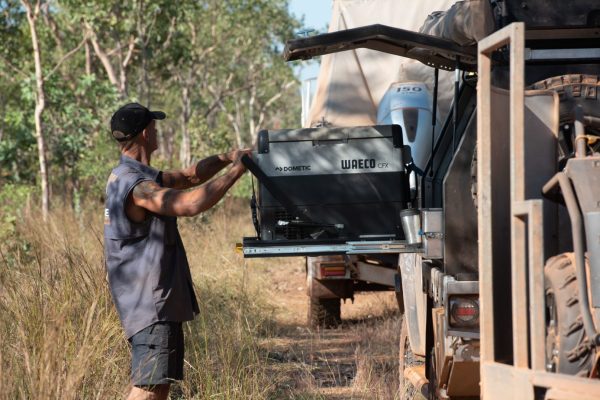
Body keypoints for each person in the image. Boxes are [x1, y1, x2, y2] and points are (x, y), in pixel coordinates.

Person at [103, 103, 250, 400]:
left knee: (159, 384)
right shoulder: (138, 186)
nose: (156, 132)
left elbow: (189, 177)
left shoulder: (128, 174)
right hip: (150, 305)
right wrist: (239, 170)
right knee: (149, 386)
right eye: (154, 127)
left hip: (150, 301)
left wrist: (228, 157)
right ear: (146, 133)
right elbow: (190, 203)